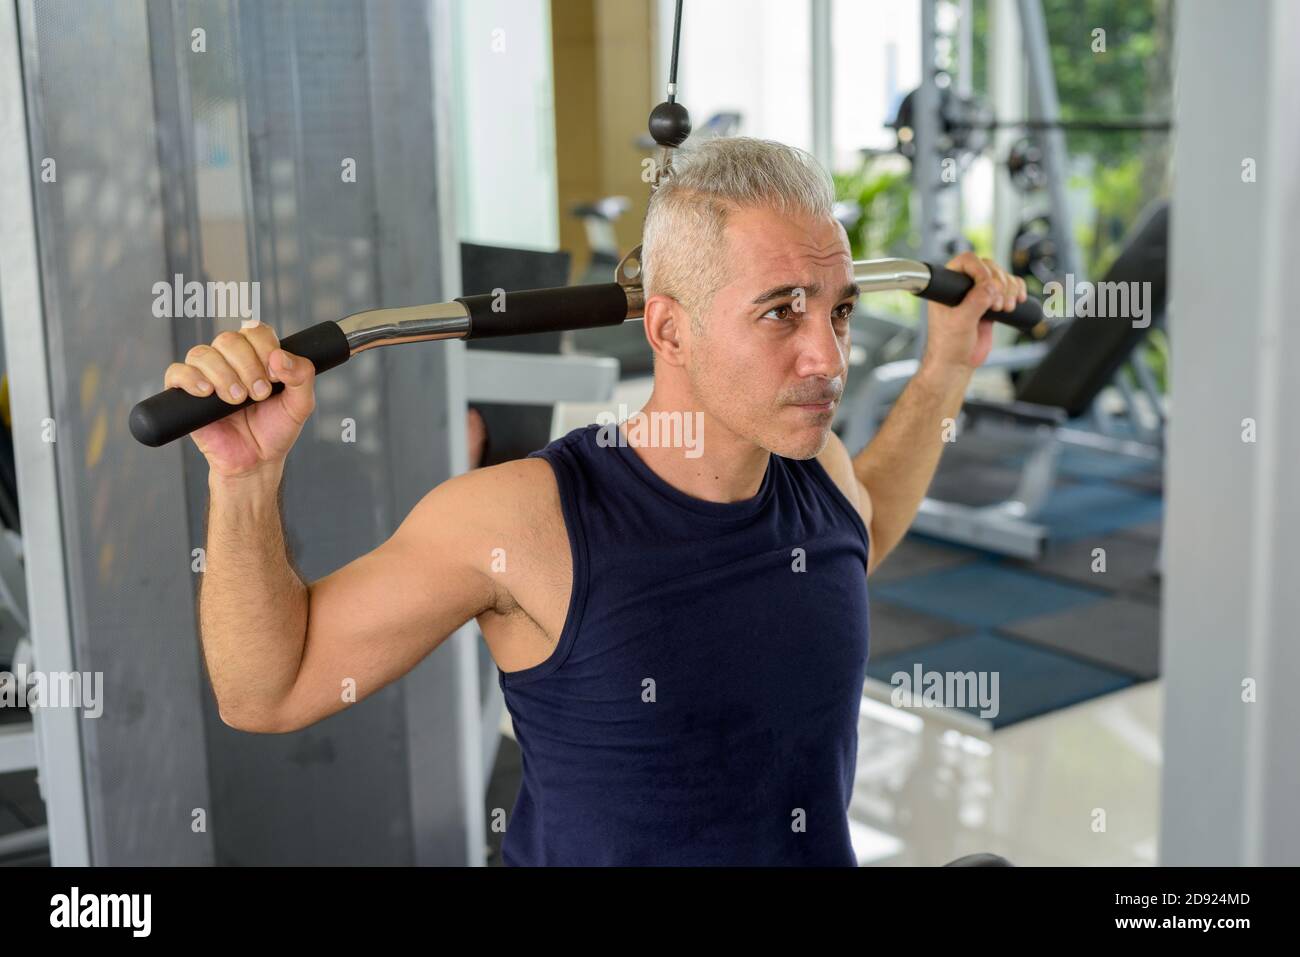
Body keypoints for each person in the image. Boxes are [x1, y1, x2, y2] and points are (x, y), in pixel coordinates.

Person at [163, 136, 1025, 866]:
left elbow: (859, 533)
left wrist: (945, 367)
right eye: (779, 315)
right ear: (668, 329)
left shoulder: (818, 472)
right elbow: (265, 693)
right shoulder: (523, 521)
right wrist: (245, 478)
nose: (827, 360)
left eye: (837, 312)